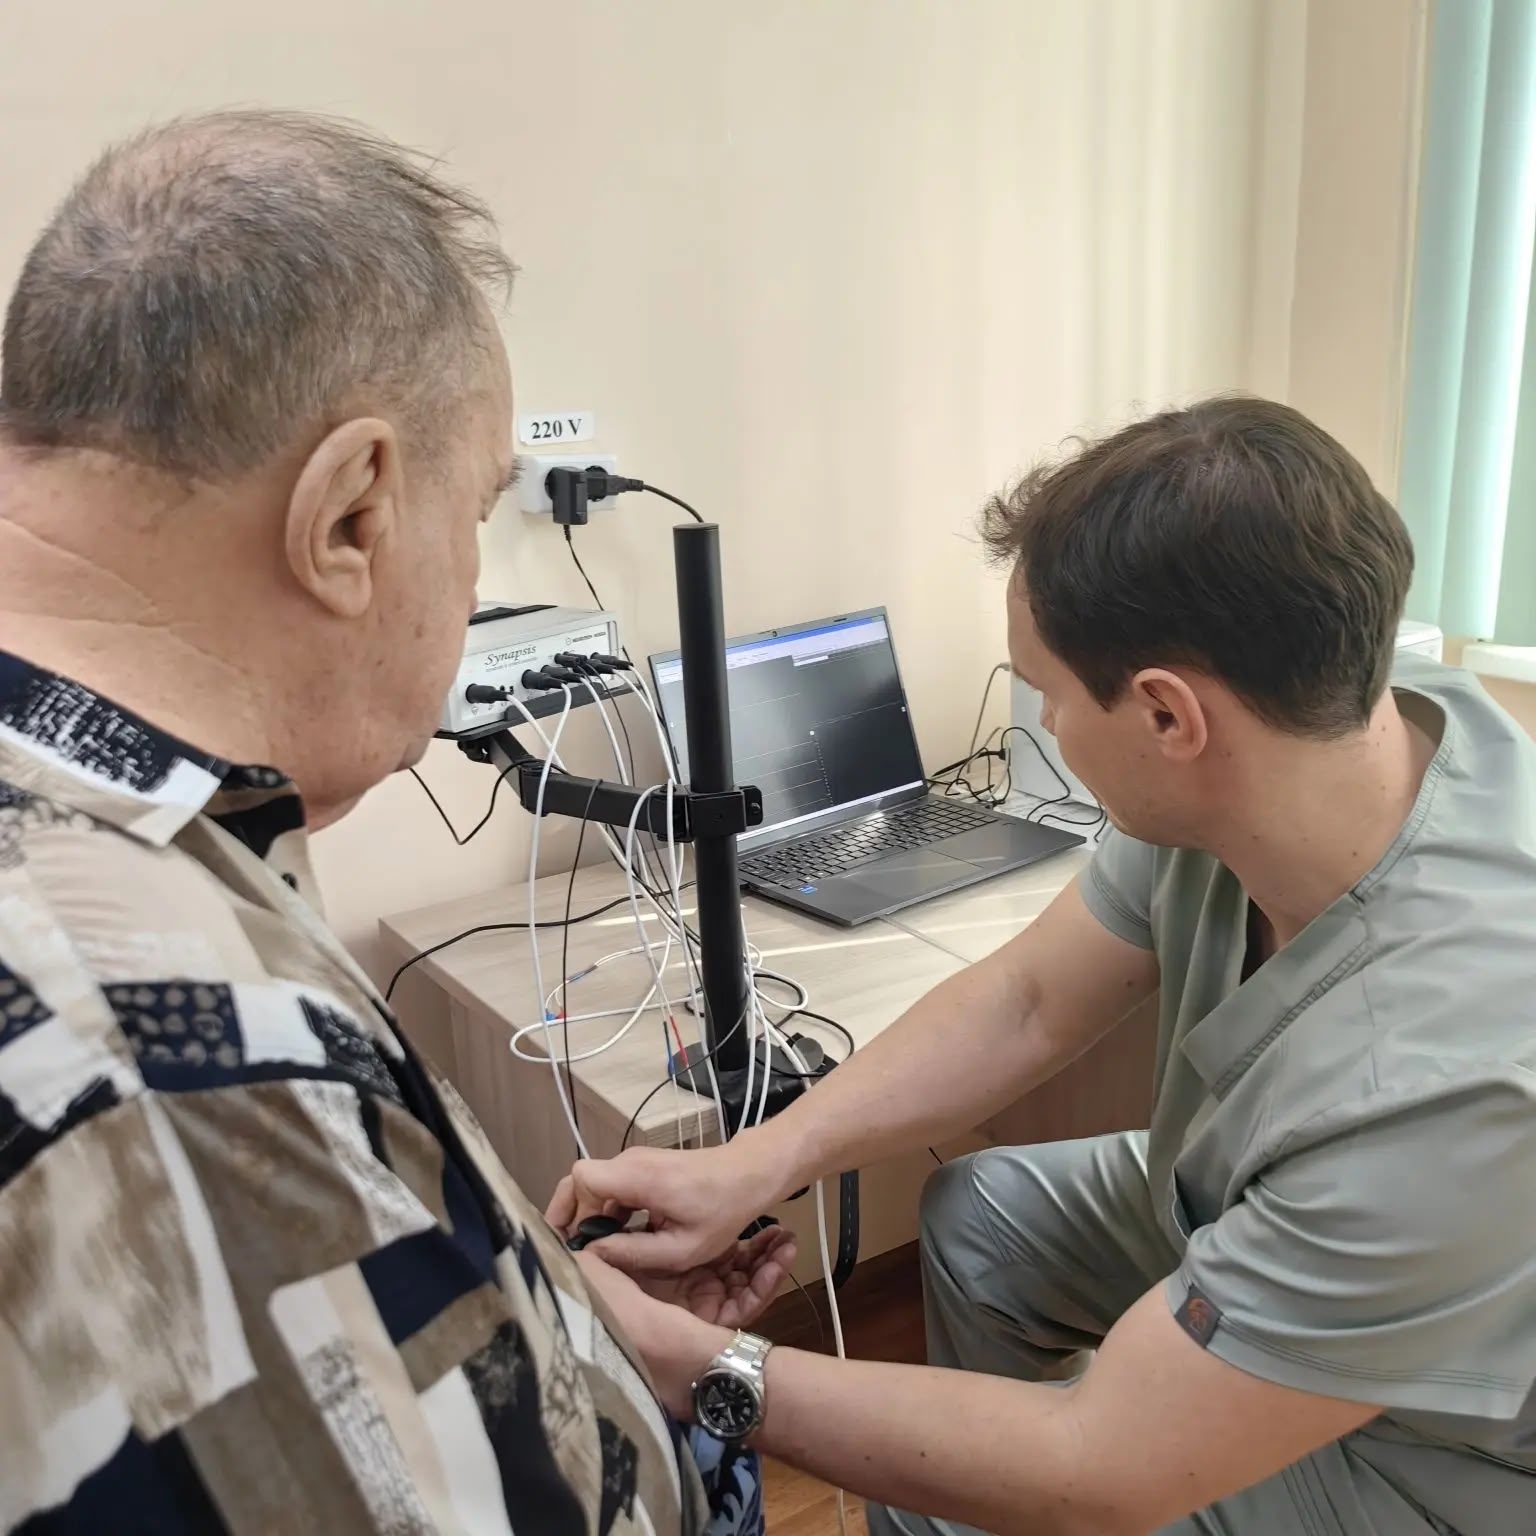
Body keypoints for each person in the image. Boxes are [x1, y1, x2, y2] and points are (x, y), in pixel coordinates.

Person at [0, 110, 793, 1535]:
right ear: (352, 514)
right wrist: (707, 1390)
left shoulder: (127, 830)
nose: (472, 576)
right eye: (475, 510)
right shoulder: (175, 1068)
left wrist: (533, 1312)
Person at [551, 397, 1536, 1536]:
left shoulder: (1446, 1078)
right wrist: (753, 1163)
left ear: (1168, 717)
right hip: (1304, 1214)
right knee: (984, 1217)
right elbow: (1024, 1002)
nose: (1048, 726)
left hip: (1433, 1449)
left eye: (1050, 694)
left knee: (956, 1506)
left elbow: (1098, 1464)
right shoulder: (1334, 728)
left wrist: (696, 1366)